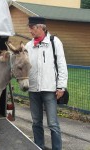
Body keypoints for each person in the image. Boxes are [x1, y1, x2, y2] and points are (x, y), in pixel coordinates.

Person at [25, 16, 68, 150]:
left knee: (53, 124)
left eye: (31, 28)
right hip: (33, 90)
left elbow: (61, 65)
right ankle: (38, 146)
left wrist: (61, 87)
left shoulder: (54, 42)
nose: (29, 31)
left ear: (40, 28)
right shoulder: (29, 45)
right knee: (36, 122)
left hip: (50, 89)